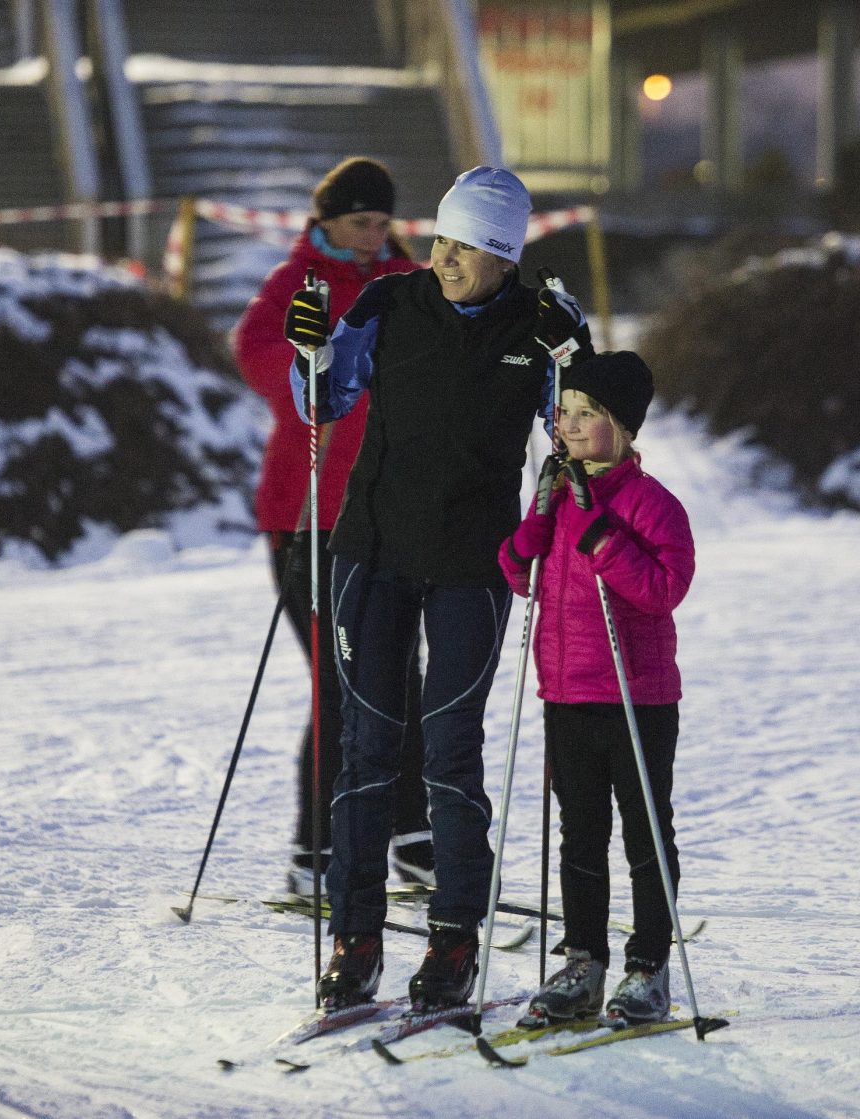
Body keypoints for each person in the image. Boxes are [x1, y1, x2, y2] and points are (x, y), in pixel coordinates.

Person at [284, 166, 595, 1010]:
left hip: (474, 563)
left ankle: (454, 939)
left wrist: (579, 368)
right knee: (366, 746)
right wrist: (309, 345)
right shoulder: (388, 304)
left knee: (452, 752)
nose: (446, 258)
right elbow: (326, 397)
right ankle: (355, 938)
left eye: (467, 247)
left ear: (505, 256)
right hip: (372, 550)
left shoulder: (541, 326)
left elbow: (583, 437)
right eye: (442, 240)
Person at [233, 157, 434, 898]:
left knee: (401, 678)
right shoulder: (300, 282)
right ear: (327, 219)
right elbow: (255, 354)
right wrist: (307, 358)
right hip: (307, 515)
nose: (371, 236)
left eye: (382, 223)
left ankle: (413, 840)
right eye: (359, 222)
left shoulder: (406, 283)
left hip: (390, 510)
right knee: (341, 683)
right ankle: (312, 855)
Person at [497, 351, 695, 1024]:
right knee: (579, 835)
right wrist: (535, 527)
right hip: (566, 693)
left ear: (625, 427)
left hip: (636, 696)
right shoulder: (554, 489)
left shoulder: (652, 503)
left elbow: (664, 589)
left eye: (589, 415)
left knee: (644, 831)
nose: (571, 426)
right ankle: (583, 958)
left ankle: (648, 963)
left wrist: (600, 533)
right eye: (565, 412)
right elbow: (523, 575)